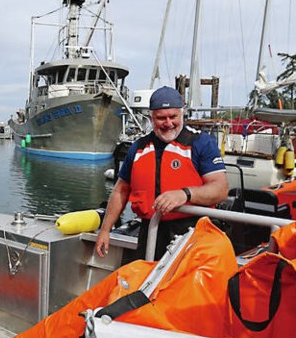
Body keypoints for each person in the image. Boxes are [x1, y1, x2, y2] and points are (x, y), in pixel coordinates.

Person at [95, 86, 228, 261]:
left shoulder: (201, 143)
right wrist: (105, 230)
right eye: (161, 118)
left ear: (182, 114)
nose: (168, 123)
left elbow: (220, 188)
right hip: (150, 231)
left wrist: (185, 194)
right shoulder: (138, 148)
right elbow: (121, 190)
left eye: (173, 117)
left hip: (192, 233)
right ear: (151, 117)